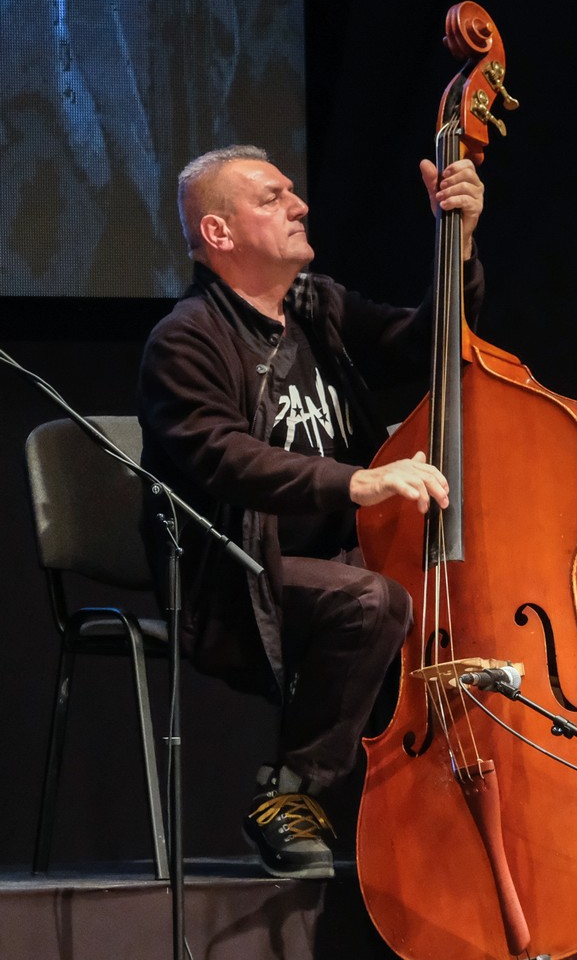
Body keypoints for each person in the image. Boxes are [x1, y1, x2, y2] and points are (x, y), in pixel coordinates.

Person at [137, 144, 485, 879]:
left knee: (457, 602)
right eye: (272, 198)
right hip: (237, 576)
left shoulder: (315, 307)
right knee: (371, 601)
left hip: (345, 558)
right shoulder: (186, 339)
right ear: (218, 233)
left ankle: (447, 812)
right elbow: (223, 456)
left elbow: (425, 346)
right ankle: (288, 791)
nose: (298, 206)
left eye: (292, 193)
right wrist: (357, 482)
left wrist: (456, 241)